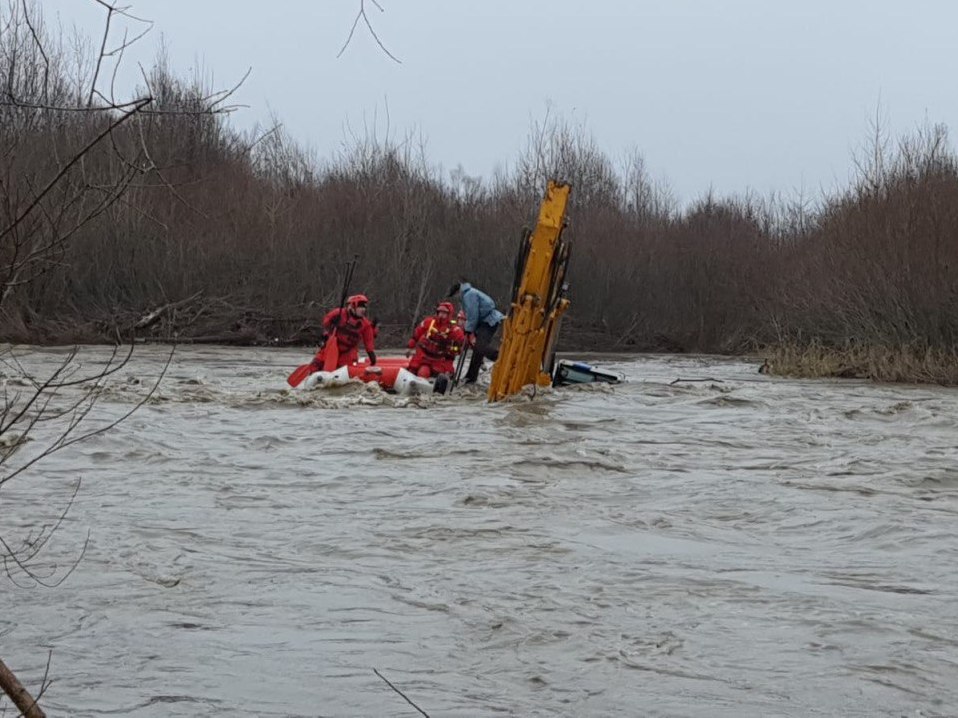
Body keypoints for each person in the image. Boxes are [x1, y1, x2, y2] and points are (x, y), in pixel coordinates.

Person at [448, 281, 505, 384]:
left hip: (489, 321)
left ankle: (501, 357)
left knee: (480, 346)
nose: (455, 299)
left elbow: (473, 315)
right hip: (483, 322)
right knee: (477, 349)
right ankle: (471, 376)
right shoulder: (467, 295)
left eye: (454, 296)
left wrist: (468, 330)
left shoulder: (469, 295)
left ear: (458, 292)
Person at [310, 294, 377, 370]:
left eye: (364, 307)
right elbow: (325, 323)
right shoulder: (338, 313)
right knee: (316, 364)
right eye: (360, 306)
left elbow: (369, 342)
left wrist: (372, 356)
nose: (363, 309)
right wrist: (332, 322)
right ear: (352, 307)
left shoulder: (366, 324)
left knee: (343, 369)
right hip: (332, 347)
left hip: (348, 353)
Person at [406, 301, 466, 378]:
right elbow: (416, 334)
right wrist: (410, 347)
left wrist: (459, 347)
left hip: (441, 359)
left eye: (444, 313)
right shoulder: (429, 322)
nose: (441, 315)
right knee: (415, 370)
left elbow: (462, 342)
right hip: (424, 355)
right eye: (440, 312)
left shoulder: (454, 329)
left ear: (449, 314)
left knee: (444, 375)